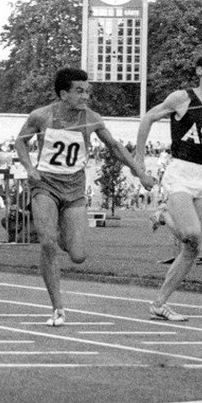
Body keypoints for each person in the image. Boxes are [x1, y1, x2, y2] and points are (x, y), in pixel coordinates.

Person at [15, 68, 154, 327]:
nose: (85, 96)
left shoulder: (91, 119)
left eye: (88, 91)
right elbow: (20, 142)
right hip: (45, 184)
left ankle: (57, 228)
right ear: (63, 94)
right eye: (79, 91)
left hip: (75, 187)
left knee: (78, 255)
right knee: (47, 243)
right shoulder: (41, 116)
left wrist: (139, 173)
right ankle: (57, 307)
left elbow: (114, 146)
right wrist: (29, 169)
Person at [135, 48, 202, 322]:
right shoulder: (182, 98)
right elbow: (147, 117)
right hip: (180, 172)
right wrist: (139, 158)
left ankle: (159, 302)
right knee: (191, 233)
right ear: (199, 71)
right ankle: (165, 214)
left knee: (194, 246)